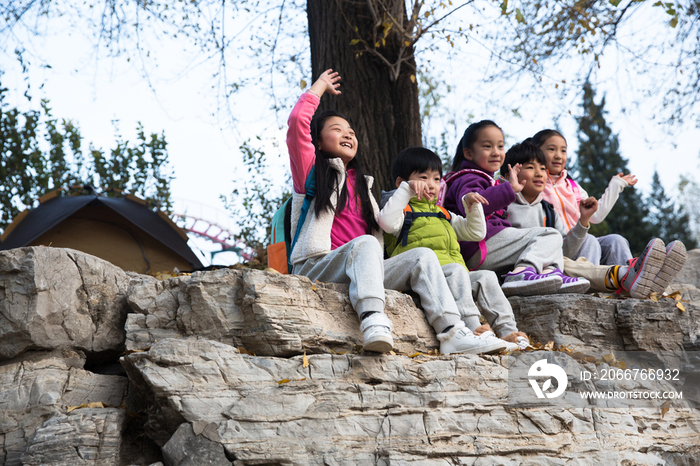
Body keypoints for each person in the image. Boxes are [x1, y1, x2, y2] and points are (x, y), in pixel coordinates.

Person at [286, 69, 506, 355]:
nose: (348, 134)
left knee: (422, 257)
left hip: (362, 268)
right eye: (338, 129)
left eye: (351, 131)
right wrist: (318, 88)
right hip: (318, 265)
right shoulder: (312, 174)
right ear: (317, 141)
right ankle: (373, 319)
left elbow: (388, 227)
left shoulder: (364, 187)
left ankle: (452, 332)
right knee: (364, 244)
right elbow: (296, 123)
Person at [378, 147, 529, 352]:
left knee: (486, 277)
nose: (431, 185)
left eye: (436, 179)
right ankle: (473, 328)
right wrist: (405, 190)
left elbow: (475, 233)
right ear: (401, 182)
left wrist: (472, 207)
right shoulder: (403, 211)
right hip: (427, 278)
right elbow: (386, 223)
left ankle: (508, 331)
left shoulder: (443, 214)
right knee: (457, 270)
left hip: (455, 276)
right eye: (423, 177)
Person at [502, 139, 685, 298]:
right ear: (510, 173)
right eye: (530, 167)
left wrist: (583, 221)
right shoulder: (502, 204)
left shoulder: (549, 209)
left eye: (542, 168)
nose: (539, 173)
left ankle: (648, 283)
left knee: (614, 241)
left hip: (553, 261)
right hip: (524, 267)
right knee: (574, 264)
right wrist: (504, 190)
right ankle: (630, 275)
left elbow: (564, 248)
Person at [440, 120, 590, 296]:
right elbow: (473, 207)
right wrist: (508, 190)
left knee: (550, 238)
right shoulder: (468, 178)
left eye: (500, 146)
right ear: (468, 153)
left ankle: (550, 274)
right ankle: (522, 273)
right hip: (477, 247)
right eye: (488, 146)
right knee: (548, 234)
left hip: (488, 245)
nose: (496, 152)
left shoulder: (485, 179)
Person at [533, 129, 635, 266]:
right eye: (552, 149)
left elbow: (596, 216)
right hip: (558, 249)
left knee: (616, 241)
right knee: (589, 240)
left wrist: (616, 185)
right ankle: (589, 285)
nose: (558, 156)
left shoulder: (573, 187)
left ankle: (630, 281)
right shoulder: (535, 184)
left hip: (583, 245)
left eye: (563, 151)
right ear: (536, 152)